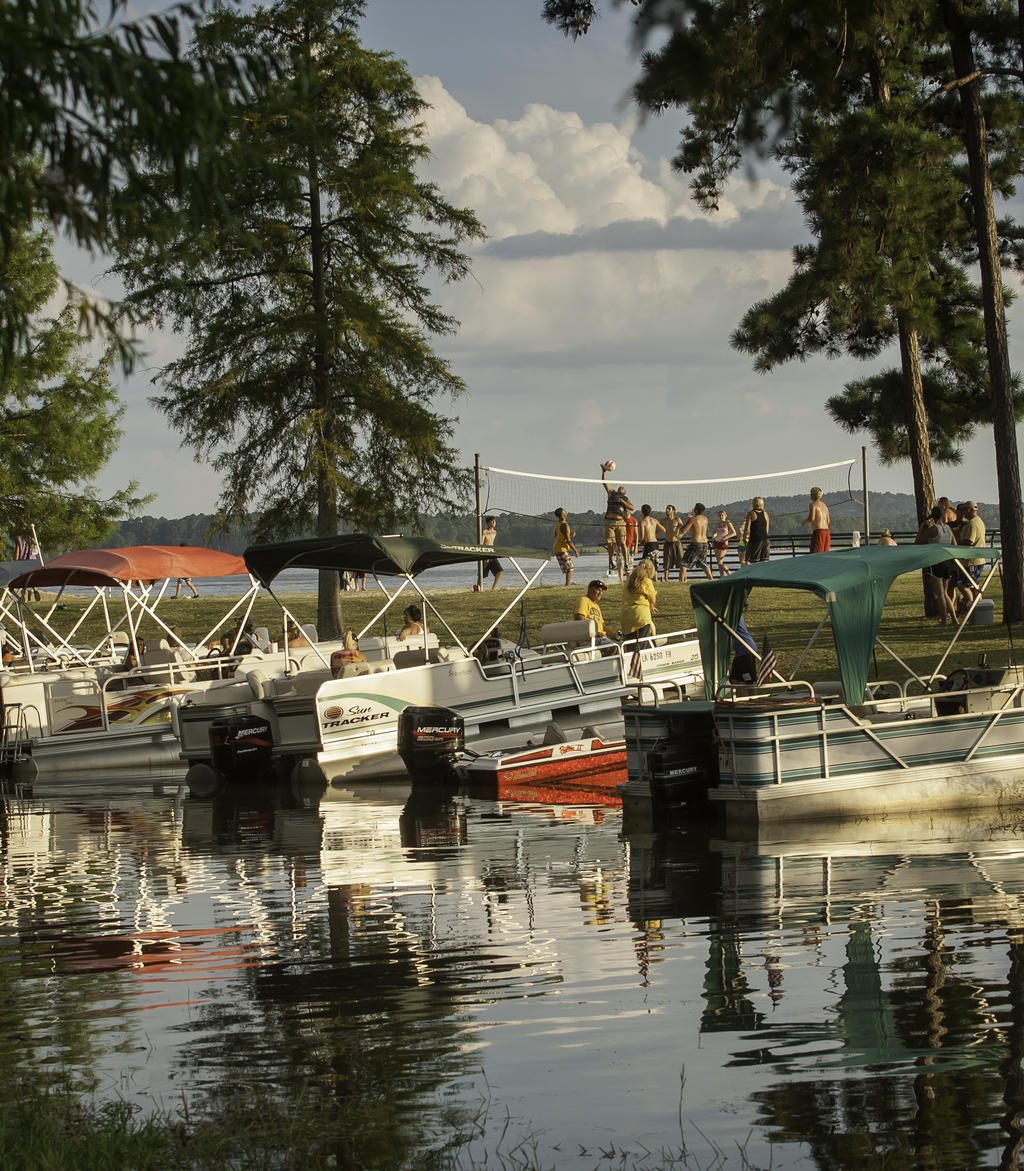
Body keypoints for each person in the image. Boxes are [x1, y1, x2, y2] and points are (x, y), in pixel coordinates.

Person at [914, 505, 957, 624]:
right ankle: (954, 618)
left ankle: (944, 619)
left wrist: (922, 528)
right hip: (947, 561)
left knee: (940, 594)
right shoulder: (948, 528)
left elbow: (918, 542)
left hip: (936, 562)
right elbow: (954, 543)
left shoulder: (932, 529)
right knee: (945, 592)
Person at [601, 463, 634, 581]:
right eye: (620, 486)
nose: (621, 487)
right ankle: (612, 561)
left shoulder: (625, 499)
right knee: (610, 543)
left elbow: (632, 507)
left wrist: (623, 502)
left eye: (623, 487)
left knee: (623, 544)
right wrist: (604, 471)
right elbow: (604, 483)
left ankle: (626, 564)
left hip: (620, 523)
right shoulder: (612, 493)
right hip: (609, 522)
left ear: (624, 492)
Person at [956, 500, 986, 606]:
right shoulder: (979, 521)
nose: (962, 512)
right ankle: (979, 609)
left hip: (971, 561)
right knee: (974, 586)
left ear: (968, 510)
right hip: (977, 559)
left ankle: (972, 610)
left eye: (963, 510)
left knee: (966, 586)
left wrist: (957, 544)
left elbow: (970, 541)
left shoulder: (972, 523)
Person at [620, 559, 658, 645]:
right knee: (641, 648)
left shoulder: (628, 582)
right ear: (649, 571)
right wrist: (651, 606)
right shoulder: (646, 582)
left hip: (626, 617)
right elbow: (653, 598)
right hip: (641, 617)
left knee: (630, 647)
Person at [679, 503, 714, 582]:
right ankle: (711, 579)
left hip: (696, 544)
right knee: (703, 563)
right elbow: (698, 522)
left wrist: (679, 525)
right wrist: (691, 518)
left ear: (696, 509)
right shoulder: (706, 519)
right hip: (705, 543)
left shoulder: (693, 519)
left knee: (683, 563)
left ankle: (681, 582)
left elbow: (683, 530)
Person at [552, 507, 579, 587]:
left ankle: (567, 583)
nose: (566, 512)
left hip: (557, 548)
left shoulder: (558, 523)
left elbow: (557, 535)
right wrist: (575, 550)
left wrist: (569, 533)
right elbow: (568, 540)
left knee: (567, 568)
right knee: (569, 568)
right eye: (565, 511)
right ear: (563, 514)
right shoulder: (565, 525)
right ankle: (567, 584)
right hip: (561, 549)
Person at [802, 487, 831, 552]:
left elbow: (812, 518)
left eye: (811, 493)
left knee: (815, 554)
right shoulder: (825, 505)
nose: (810, 495)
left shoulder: (813, 505)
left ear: (814, 495)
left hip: (819, 532)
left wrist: (804, 522)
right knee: (824, 554)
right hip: (827, 532)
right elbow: (828, 521)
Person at [478, 516, 503, 590]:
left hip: (492, 554)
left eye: (494, 521)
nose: (494, 523)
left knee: (500, 571)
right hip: (485, 554)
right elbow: (481, 544)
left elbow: (491, 543)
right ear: (488, 523)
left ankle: (493, 588)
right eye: (492, 521)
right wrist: (485, 556)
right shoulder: (484, 532)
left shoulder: (495, 532)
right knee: (482, 575)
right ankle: (478, 588)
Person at [743, 497, 770, 563]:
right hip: (765, 540)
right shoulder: (766, 514)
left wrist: (744, 538)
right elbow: (767, 530)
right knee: (764, 562)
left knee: (753, 562)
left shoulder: (751, 513)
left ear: (753, 504)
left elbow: (747, 529)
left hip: (755, 540)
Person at [711, 510, 737, 577]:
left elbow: (734, 533)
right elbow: (715, 532)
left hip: (723, 543)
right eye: (719, 515)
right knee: (719, 562)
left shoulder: (728, 523)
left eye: (722, 515)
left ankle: (730, 574)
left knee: (720, 562)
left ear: (725, 515)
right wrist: (713, 536)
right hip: (716, 542)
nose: (721, 516)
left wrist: (726, 537)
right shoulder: (717, 524)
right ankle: (721, 576)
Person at [661, 504, 683, 581]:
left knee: (681, 562)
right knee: (666, 563)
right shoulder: (663, 520)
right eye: (666, 508)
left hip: (676, 542)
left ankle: (683, 579)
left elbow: (682, 528)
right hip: (667, 543)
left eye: (669, 509)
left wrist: (680, 533)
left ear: (673, 511)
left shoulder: (677, 519)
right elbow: (657, 528)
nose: (667, 510)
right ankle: (666, 580)